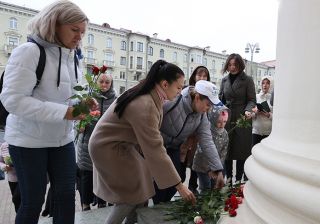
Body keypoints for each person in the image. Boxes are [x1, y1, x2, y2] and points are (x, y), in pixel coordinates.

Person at [0, 1, 92, 223]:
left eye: (83, 31)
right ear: (54, 24)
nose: (80, 37)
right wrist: (64, 112)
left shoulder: (73, 57)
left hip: (62, 140)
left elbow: (68, 94)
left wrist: (83, 103)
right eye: (74, 30)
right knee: (32, 201)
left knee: (67, 196)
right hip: (27, 141)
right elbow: (12, 100)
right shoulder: (29, 52)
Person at [89, 60, 195, 224]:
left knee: (141, 190)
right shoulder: (145, 103)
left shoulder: (151, 93)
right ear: (165, 84)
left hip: (118, 145)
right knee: (130, 196)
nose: (180, 92)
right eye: (179, 87)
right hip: (108, 147)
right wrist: (180, 186)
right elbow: (156, 149)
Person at [153, 80, 225, 204]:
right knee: (161, 182)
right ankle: (157, 209)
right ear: (197, 97)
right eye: (208, 104)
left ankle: (161, 207)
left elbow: (207, 141)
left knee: (178, 178)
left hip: (174, 147)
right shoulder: (174, 100)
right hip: (157, 146)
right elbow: (152, 119)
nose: (209, 109)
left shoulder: (201, 116)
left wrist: (218, 170)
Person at [76, 73, 117, 211]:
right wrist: (80, 124)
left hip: (106, 144)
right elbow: (77, 119)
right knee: (87, 175)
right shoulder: (88, 98)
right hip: (86, 143)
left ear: (111, 84)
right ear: (97, 81)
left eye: (107, 82)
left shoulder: (115, 100)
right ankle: (85, 206)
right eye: (101, 81)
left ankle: (102, 204)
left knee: (104, 175)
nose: (104, 85)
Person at [219, 53, 256, 183]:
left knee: (242, 151)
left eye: (235, 64)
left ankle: (239, 180)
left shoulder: (248, 80)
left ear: (240, 65)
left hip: (242, 119)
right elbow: (220, 100)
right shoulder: (224, 80)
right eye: (230, 64)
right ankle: (229, 179)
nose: (232, 67)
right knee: (227, 150)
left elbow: (252, 100)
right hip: (227, 118)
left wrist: (247, 111)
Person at [181, 66, 211, 193]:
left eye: (205, 76)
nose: (202, 78)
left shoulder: (209, 94)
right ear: (194, 76)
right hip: (184, 135)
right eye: (199, 75)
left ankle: (192, 187)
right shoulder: (185, 92)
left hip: (198, 135)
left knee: (195, 161)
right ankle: (179, 185)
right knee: (181, 161)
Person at [192, 105, 229, 191]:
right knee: (205, 187)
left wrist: (218, 168)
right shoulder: (207, 131)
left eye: (224, 122)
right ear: (213, 119)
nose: (222, 124)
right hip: (202, 165)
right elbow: (203, 151)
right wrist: (209, 169)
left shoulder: (225, 134)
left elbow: (223, 153)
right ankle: (202, 202)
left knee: (214, 186)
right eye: (219, 121)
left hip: (215, 166)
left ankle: (211, 203)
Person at [252, 76, 273, 146]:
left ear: (271, 85)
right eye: (263, 83)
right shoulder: (256, 96)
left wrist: (268, 115)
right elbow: (251, 114)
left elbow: (278, 117)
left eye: (267, 83)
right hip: (256, 131)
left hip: (268, 132)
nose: (265, 85)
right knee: (253, 151)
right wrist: (255, 112)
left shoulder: (274, 98)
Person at [0, 142, 20, 212]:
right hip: (12, 179)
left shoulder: (23, 143)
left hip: (25, 178)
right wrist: (4, 167)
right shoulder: (4, 145)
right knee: (17, 202)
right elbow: (1, 161)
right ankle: (19, 217)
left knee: (16, 198)